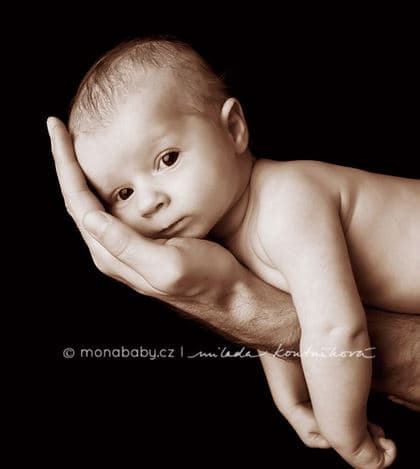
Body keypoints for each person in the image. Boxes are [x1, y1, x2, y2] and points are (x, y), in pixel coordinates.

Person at [49, 38, 419, 469]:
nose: (149, 202)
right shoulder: (235, 236)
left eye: (167, 159)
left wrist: (348, 435)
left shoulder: (287, 202)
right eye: (123, 193)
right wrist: (294, 400)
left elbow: (337, 332)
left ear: (234, 129)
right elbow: (283, 319)